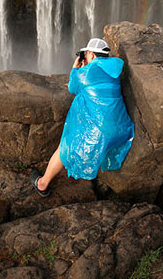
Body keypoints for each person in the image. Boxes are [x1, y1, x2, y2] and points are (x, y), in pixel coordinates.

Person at [31, 38, 134, 197]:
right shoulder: (114, 71)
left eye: (85, 55)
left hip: (102, 133)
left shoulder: (86, 73)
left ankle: (42, 183)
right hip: (122, 130)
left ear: (92, 55)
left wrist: (75, 68)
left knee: (65, 146)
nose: (83, 58)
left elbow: (73, 88)